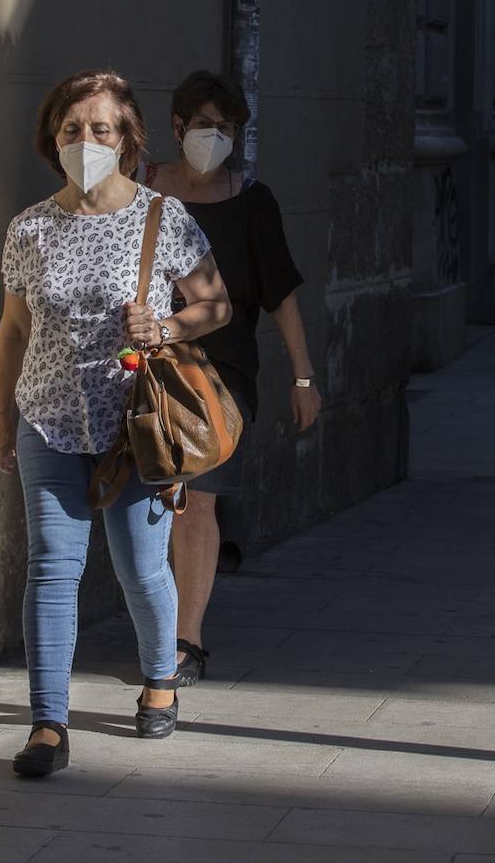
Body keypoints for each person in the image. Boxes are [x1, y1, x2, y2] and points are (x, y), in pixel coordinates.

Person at [0, 69, 231, 777]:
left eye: (101, 130)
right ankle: (47, 724)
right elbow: (11, 329)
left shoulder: (162, 216)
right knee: (51, 570)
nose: (85, 141)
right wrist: (1, 417)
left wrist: (162, 324)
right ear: (52, 139)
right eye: (72, 130)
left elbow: (214, 306)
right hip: (48, 420)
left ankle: (160, 676)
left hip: (136, 425)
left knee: (138, 567)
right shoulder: (30, 226)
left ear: (128, 142)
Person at [143, 71, 321, 686]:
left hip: (221, 382)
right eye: (204, 126)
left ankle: (184, 641)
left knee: (196, 505)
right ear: (177, 127)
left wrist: (303, 377)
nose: (215, 137)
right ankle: (155, 629)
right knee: (148, 507)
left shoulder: (253, 202)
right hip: (142, 375)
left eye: (227, 128)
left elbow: (281, 295)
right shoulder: (141, 192)